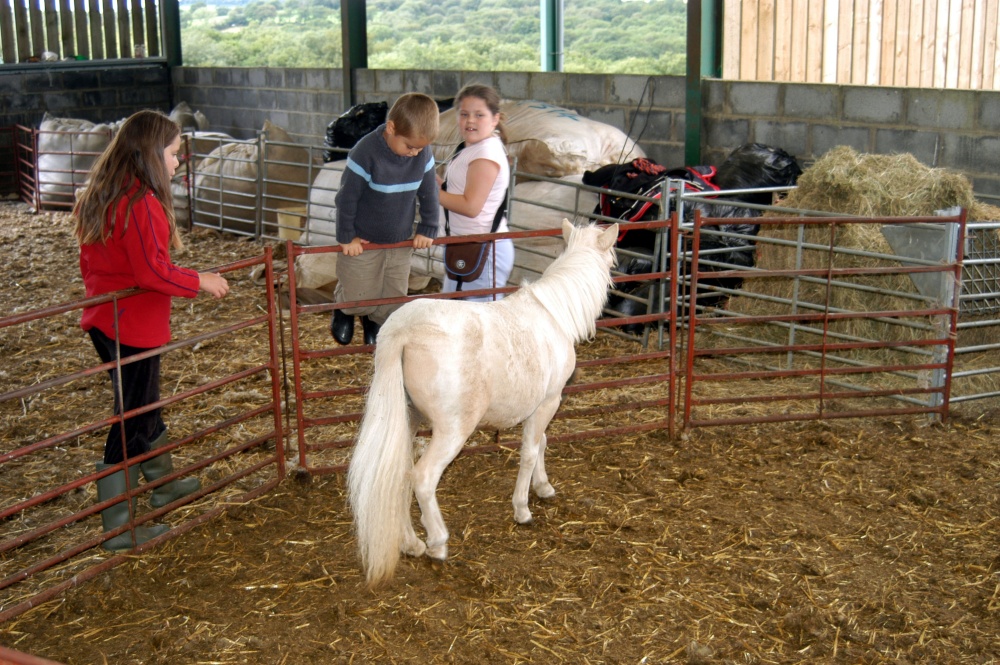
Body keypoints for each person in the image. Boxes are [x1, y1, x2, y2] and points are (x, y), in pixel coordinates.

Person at [75, 109, 230, 551]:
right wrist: (198, 279)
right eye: (173, 153)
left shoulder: (106, 192)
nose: (178, 162)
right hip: (132, 326)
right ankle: (119, 527)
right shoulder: (140, 201)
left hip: (110, 320)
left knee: (144, 403)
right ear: (149, 154)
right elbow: (151, 272)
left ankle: (162, 485)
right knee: (133, 417)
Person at [330, 92, 440, 345]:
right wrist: (347, 236)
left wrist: (428, 227)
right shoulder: (365, 153)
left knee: (393, 295)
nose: (414, 153)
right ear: (391, 128)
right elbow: (347, 198)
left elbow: (429, 192)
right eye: (410, 146)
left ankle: (374, 321)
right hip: (363, 239)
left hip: (400, 238)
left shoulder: (422, 154)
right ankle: (344, 307)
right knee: (360, 289)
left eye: (420, 148)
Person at [437, 84, 512, 301]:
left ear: (495, 119)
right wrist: (438, 185)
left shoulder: (485, 154)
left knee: (479, 326)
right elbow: (461, 191)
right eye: (464, 114)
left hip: (484, 251)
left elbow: (471, 206)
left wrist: (431, 194)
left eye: (479, 115)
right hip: (468, 246)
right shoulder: (473, 148)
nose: (470, 120)